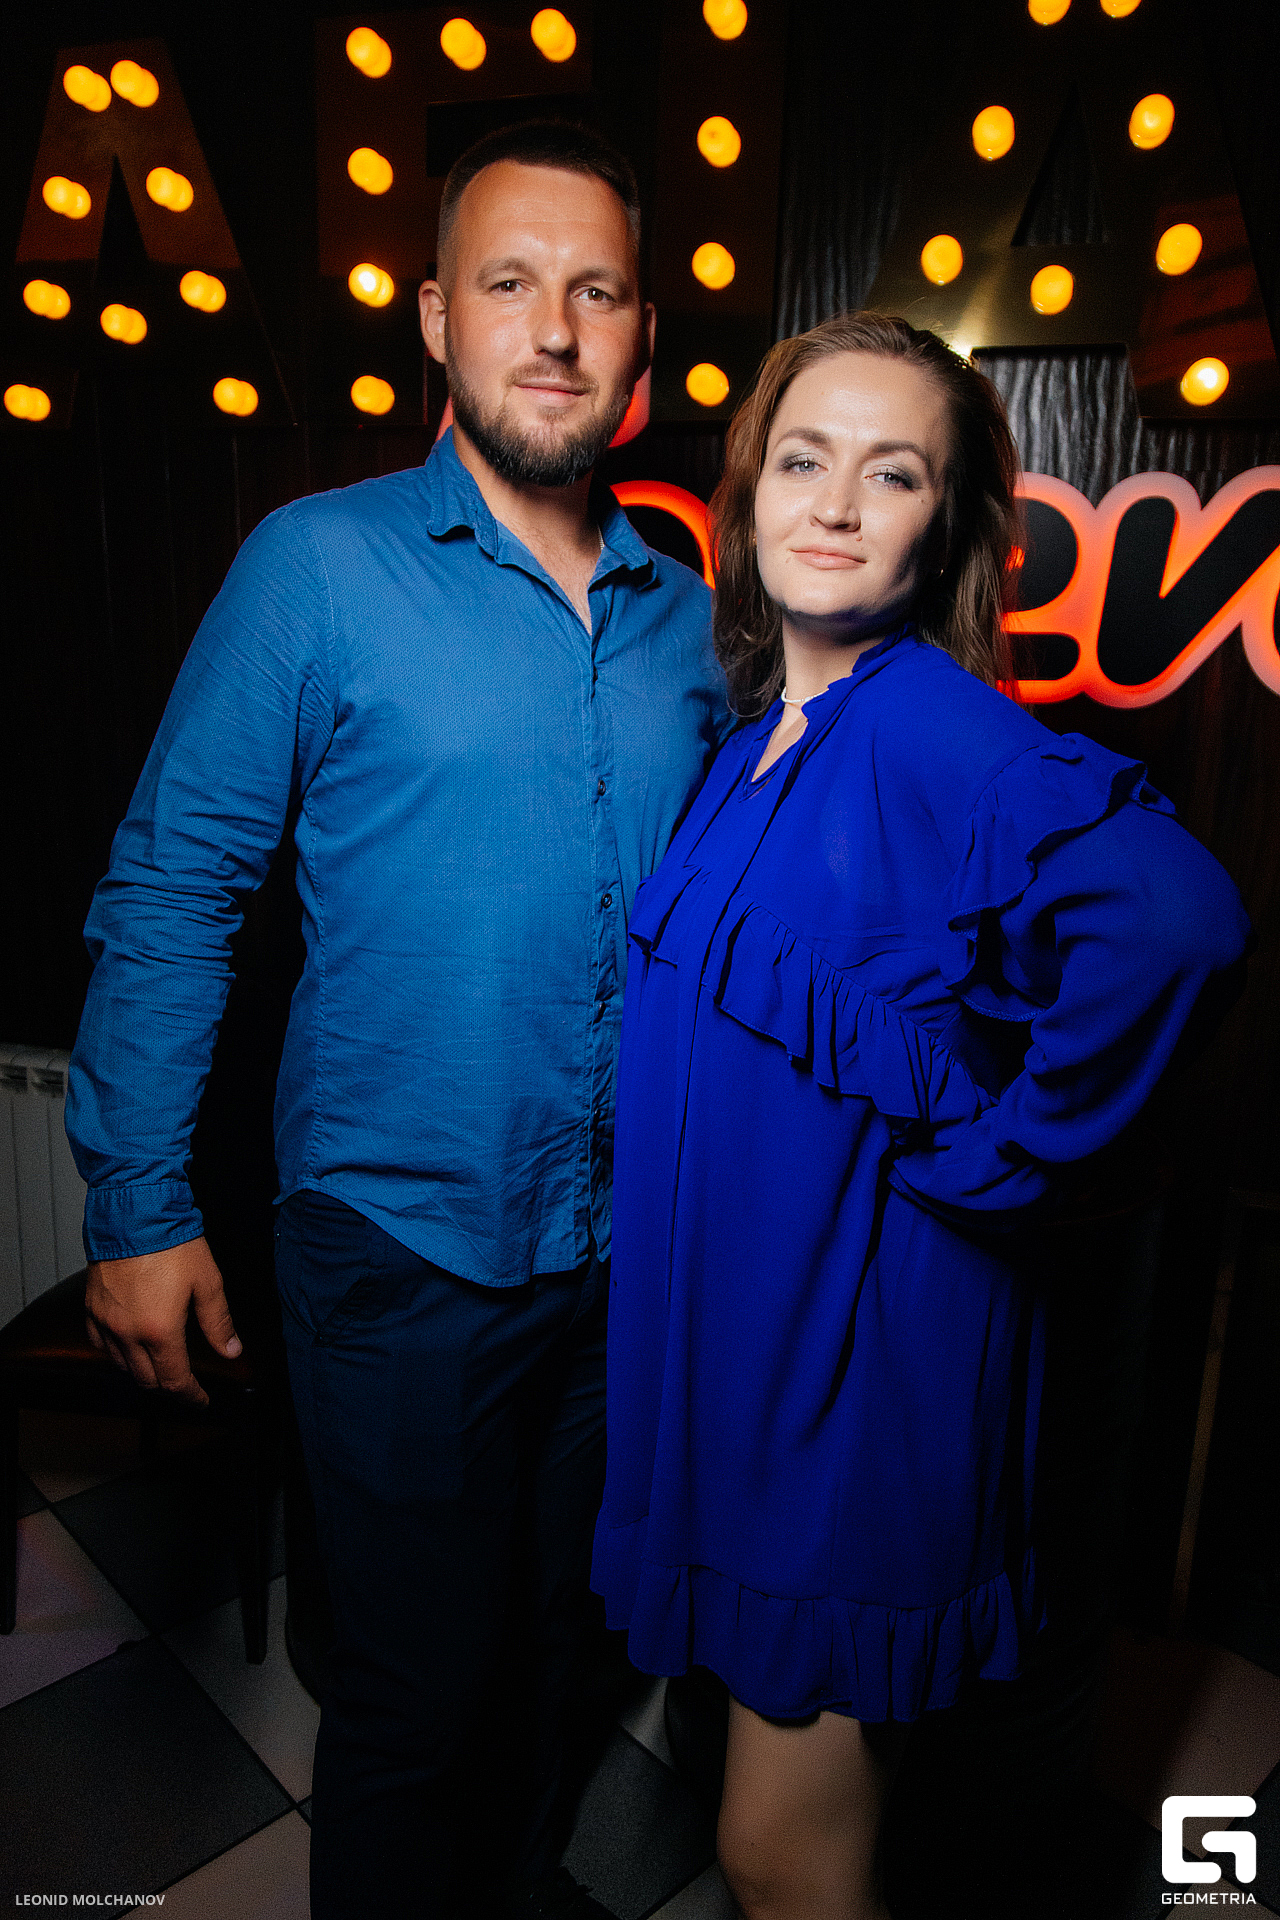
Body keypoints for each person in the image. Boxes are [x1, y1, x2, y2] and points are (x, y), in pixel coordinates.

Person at [65, 121, 726, 1920]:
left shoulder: (692, 620)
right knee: (413, 1703)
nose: (555, 330)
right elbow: (173, 884)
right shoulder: (318, 565)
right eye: (510, 283)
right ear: (437, 319)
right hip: (396, 1253)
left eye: (596, 291)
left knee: (556, 1658)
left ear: (640, 337)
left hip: (625, 1262)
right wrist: (136, 1207)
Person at [590, 312, 1251, 1920]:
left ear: (945, 527)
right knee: (801, 1828)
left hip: (847, 1372)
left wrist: (1012, 1155)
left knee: (780, 1853)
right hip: (747, 1358)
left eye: (892, 474)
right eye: (802, 461)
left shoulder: (920, 722)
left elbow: (1177, 916)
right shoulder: (760, 739)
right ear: (751, 493)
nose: (833, 503)